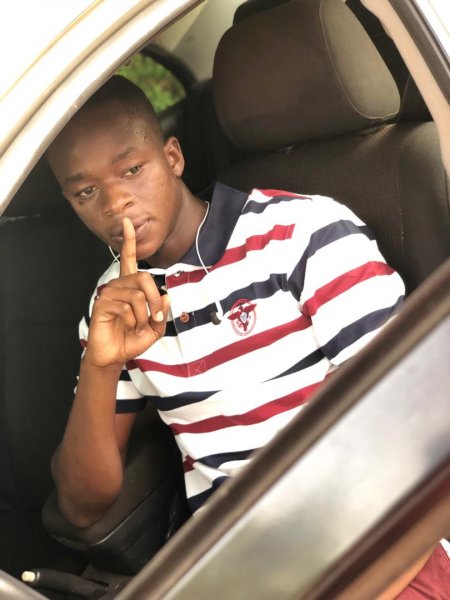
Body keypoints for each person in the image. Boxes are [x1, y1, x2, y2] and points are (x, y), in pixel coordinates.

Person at [47, 75, 448, 596]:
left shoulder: (303, 234)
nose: (115, 203)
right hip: (240, 572)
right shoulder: (113, 306)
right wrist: (101, 365)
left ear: (173, 158)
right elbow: (83, 507)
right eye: (86, 191)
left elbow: (415, 428)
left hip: (378, 547)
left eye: (132, 170)